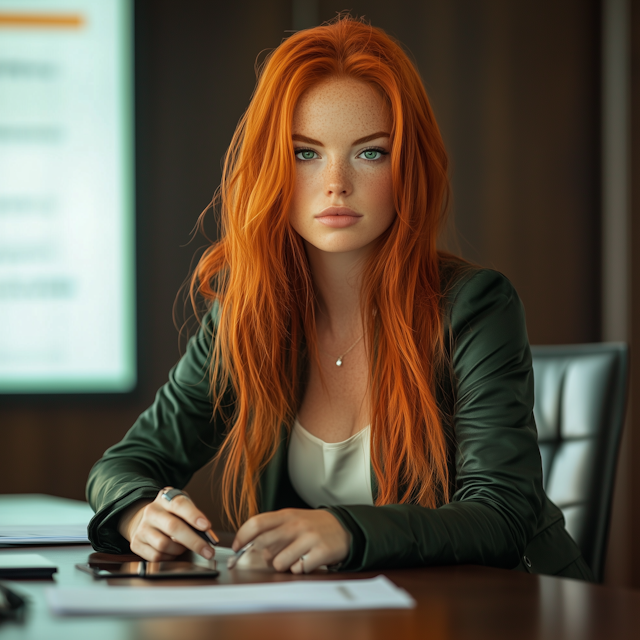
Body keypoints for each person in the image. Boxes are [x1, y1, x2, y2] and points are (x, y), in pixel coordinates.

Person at [87, 16, 593, 580]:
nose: (336, 183)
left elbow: (501, 515)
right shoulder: (248, 313)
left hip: (514, 612)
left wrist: (344, 529)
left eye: (370, 153)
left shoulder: (476, 306)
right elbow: (124, 464)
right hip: (358, 613)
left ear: (408, 165)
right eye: (306, 153)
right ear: (270, 165)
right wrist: (138, 513)